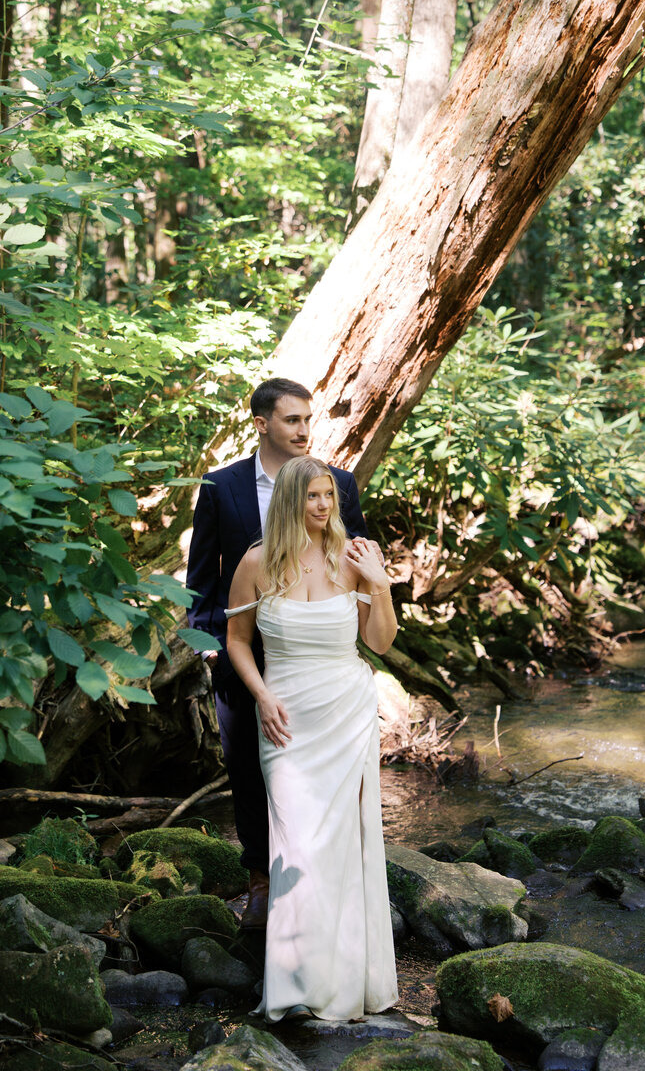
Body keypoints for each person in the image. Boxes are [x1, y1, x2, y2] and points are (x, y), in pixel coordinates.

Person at [186, 378, 369, 927]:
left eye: (307, 419)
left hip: (315, 651)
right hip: (242, 651)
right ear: (262, 424)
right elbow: (201, 579)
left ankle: (326, 882)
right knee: (247, 766)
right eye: (291, 420)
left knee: (317, 768)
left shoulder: (335, 483)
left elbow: (355, 556)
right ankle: (261, 879)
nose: (304, 431)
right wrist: (210, 647)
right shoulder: (222, 487)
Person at [225, 456, 398, 1022]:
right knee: (296, 843)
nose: (324, 506)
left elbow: (380, 643)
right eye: (313, 497)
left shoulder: (350, 557)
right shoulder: (255, 563)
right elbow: (237, 640)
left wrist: (378, 584)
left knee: (340, 844)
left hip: (346, 711)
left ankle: (342, 978)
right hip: (285, 717)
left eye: (329, 495)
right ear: (289, 502)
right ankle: (295, 982)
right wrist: (261, 696)